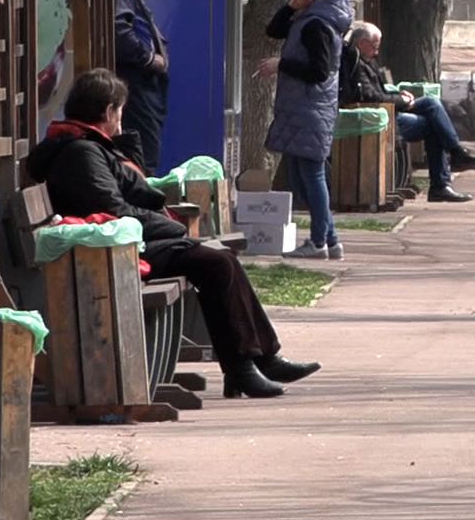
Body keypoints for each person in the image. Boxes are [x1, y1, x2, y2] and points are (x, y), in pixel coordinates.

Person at [28, 69, 318, 400]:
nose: (122, 119)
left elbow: (136, 187)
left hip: (122, 243)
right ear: (108, 111)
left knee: (220, 261)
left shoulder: (88, 145)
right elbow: (113, 209)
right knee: (216, 265)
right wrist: (173, 227)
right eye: (120, 111)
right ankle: (244, 367)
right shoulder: (80, 152)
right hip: (109, 253)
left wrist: (122, 142)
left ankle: (260, 360)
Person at [259, 0, 355, 259]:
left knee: (311, 175)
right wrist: (291, 6)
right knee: (301, 175)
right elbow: (274, 30)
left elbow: (319, 70)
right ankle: (330, 239)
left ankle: (317, 242)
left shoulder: (317, 26)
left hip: (311, 109)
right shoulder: (305, 18)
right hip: (302, 108)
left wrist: (282, 65)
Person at [340, 21, 475, 203]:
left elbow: (376, 92)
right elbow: (366, 96)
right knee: (434, 125)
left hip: (385, 111)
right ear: (362, 43)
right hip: (377, 119)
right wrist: (400, 101)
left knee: (431, 103)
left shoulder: (364, 59)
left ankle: (453, 160)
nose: (376, 52)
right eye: (374, 47)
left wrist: (397, 95)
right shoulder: (354, 61)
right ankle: (443, 179)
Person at [113, 0, 169, 172]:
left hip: (142, 85)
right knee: (143, 155)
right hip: (136, 84)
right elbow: (120, 32)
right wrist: (149, 58)